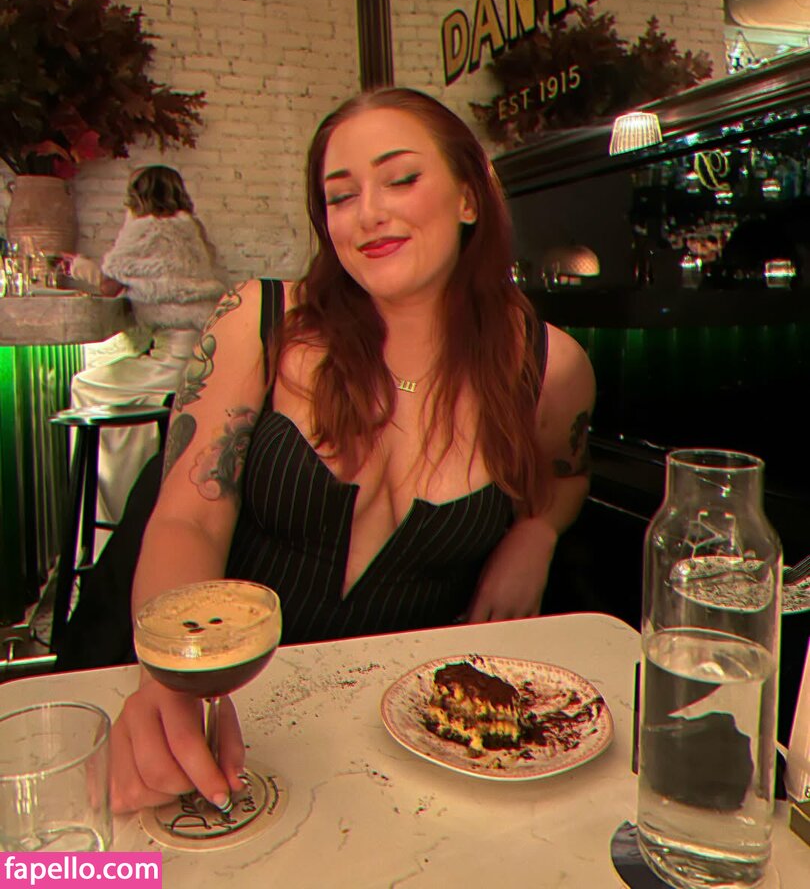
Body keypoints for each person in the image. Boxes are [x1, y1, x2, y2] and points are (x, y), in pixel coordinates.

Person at [110, 89, 595, 813]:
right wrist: (174, 673)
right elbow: (189, 516)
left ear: (469, 197)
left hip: (413, 749)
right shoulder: (261, 321)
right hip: (234, 709)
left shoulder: (550, 368)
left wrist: (538, 532)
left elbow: (567, 475)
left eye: (401, 179)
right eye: (340, 196)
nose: (367, 213)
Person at [67, 164, 228, 525]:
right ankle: (137, 491)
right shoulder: (192, 230)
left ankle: (111, 508)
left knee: (85, 384)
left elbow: (109, 284)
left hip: (171, 363)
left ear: (137, 195)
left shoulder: (143, 228)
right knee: (129, 398)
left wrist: (77, 265)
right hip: (203, 358)